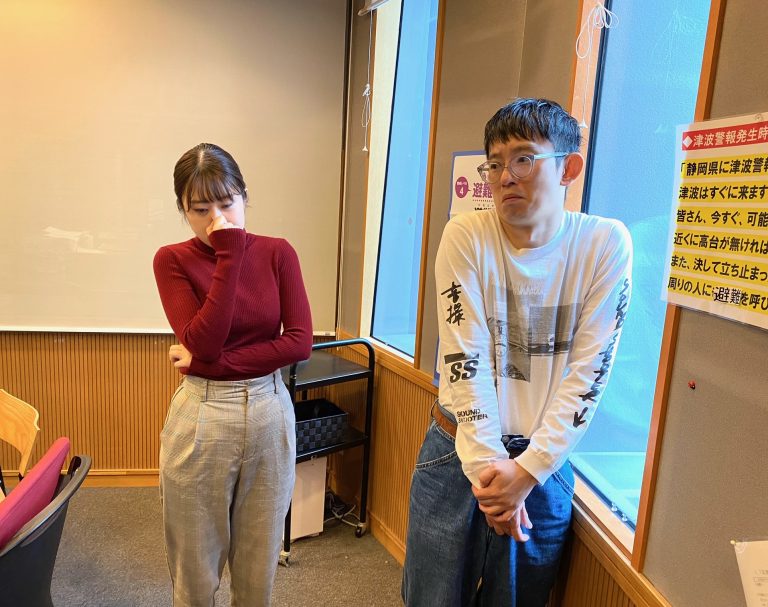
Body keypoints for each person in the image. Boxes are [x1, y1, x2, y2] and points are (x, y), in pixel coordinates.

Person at [402, 98, 632, 606]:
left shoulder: (604, 244)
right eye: (495, 163)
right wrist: (495, 480)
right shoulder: (467, 234)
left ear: (568, 167)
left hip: (544, 462)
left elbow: (590, 372)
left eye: (524, 158)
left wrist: (526, 473)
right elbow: (465, 361)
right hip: (457, 448)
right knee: (430, 598)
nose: (505, 176)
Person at [153, 143, 312, 607]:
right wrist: (228, 255)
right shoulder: (172, 260)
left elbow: (298, 343)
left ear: (244, 195)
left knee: (258, 571)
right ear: (183, 210)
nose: (216, 219)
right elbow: (204, 339)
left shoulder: (278, 253)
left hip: (269, 409)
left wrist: (211, 364)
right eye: (200, 210)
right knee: (195, 574)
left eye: (227, 203)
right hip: (203, 415)